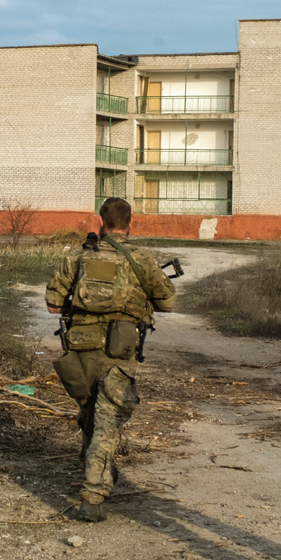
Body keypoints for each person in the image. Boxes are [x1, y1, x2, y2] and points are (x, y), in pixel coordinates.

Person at [45, 197, 176, 522]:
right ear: (131, 222)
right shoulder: (142, 260)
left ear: (100, 221)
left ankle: (98, 468)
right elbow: (168, 303)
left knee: (91, 411)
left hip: (81, 348)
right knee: (106, 419)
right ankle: (92, 495)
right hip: (119, 350)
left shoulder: (78, 257)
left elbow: (52, 304)